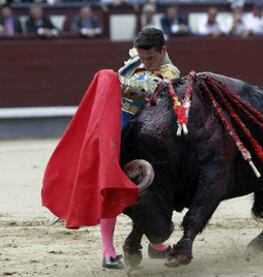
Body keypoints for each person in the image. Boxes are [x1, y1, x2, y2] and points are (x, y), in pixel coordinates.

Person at [42, 27, 180, 270]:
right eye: (143, 58)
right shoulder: (133, 63)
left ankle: (156, 244)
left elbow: (150, 89)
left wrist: (112, 79)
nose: (146, 63)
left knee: (150, 194)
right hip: (114, 134)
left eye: (152, 59)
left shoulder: (170, 73)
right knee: (110, 187)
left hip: (145, 140)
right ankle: (108, 251)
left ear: (163, 51)